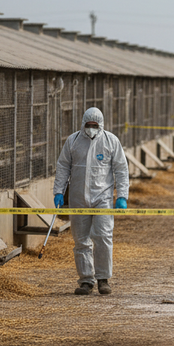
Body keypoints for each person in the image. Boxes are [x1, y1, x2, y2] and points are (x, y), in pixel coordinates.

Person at [54, 107, 129, 296]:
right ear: (83, 124)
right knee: (81, 240)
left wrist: (121, 195)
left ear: (101, 125)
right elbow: (63, 166)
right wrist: (58, 191)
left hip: (102, 197)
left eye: (95, 125)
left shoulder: (111, 141)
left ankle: (103, 279)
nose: (91, 128)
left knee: (103, 236)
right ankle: (86, 280)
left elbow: (121, 169)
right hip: (78, 198)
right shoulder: (73, 141)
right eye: (89, 125)